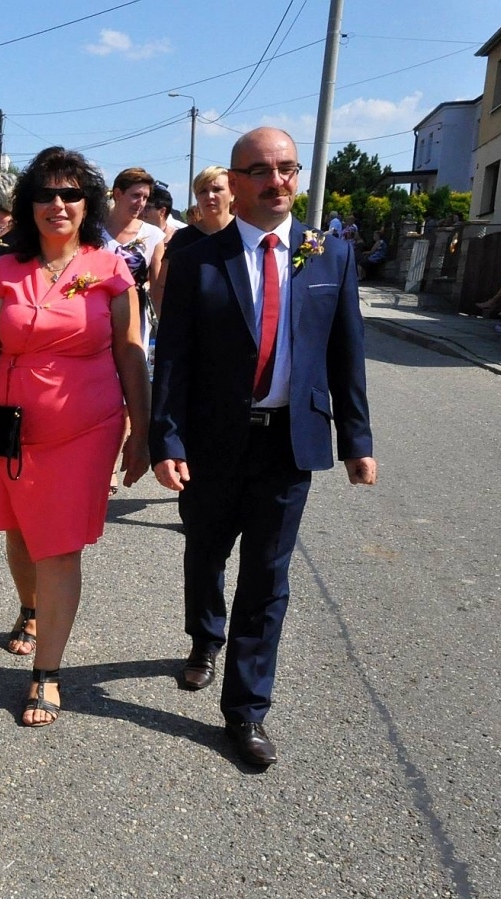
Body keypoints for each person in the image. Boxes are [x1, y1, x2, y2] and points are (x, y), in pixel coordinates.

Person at [151, 126, 376, 769]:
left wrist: (357, 439)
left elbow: (347, 353)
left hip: (288, 444)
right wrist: (165, 438)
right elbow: (174, 360)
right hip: (211, 442)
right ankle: (205, 636)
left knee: (267, 578)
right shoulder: (198, 258)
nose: (276, 181)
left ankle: (246, 710)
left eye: (287, 169)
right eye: (260, 170)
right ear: (235, 180)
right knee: (205, 552)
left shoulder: (328, 255)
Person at [0, 146, 151, 726]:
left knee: (58, 546)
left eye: (70, 193)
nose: (58, 204)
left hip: (85, 430)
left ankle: (47, 673)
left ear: (87, 204)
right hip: (11, 428)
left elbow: (131, 355)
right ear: (29, 205)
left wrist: (141, 431)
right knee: (19, 531)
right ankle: (30, 607)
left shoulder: (110, 268)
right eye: (46, 193)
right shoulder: (4, 269)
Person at [156, 165, 235, 315]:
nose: (209, 196)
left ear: (232, 194)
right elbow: (162, 286)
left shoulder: (245, 234)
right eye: (202, 191)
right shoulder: (182, 239)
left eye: (217, 189)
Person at [103, 166, 167, 347]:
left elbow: (158, 288)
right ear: (118, 194)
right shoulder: (93, 231)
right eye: (135, 195)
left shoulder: (153, 236)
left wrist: (166, 328)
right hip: (96, 312)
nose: (141, 203)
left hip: (134, 316)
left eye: (145, 198)